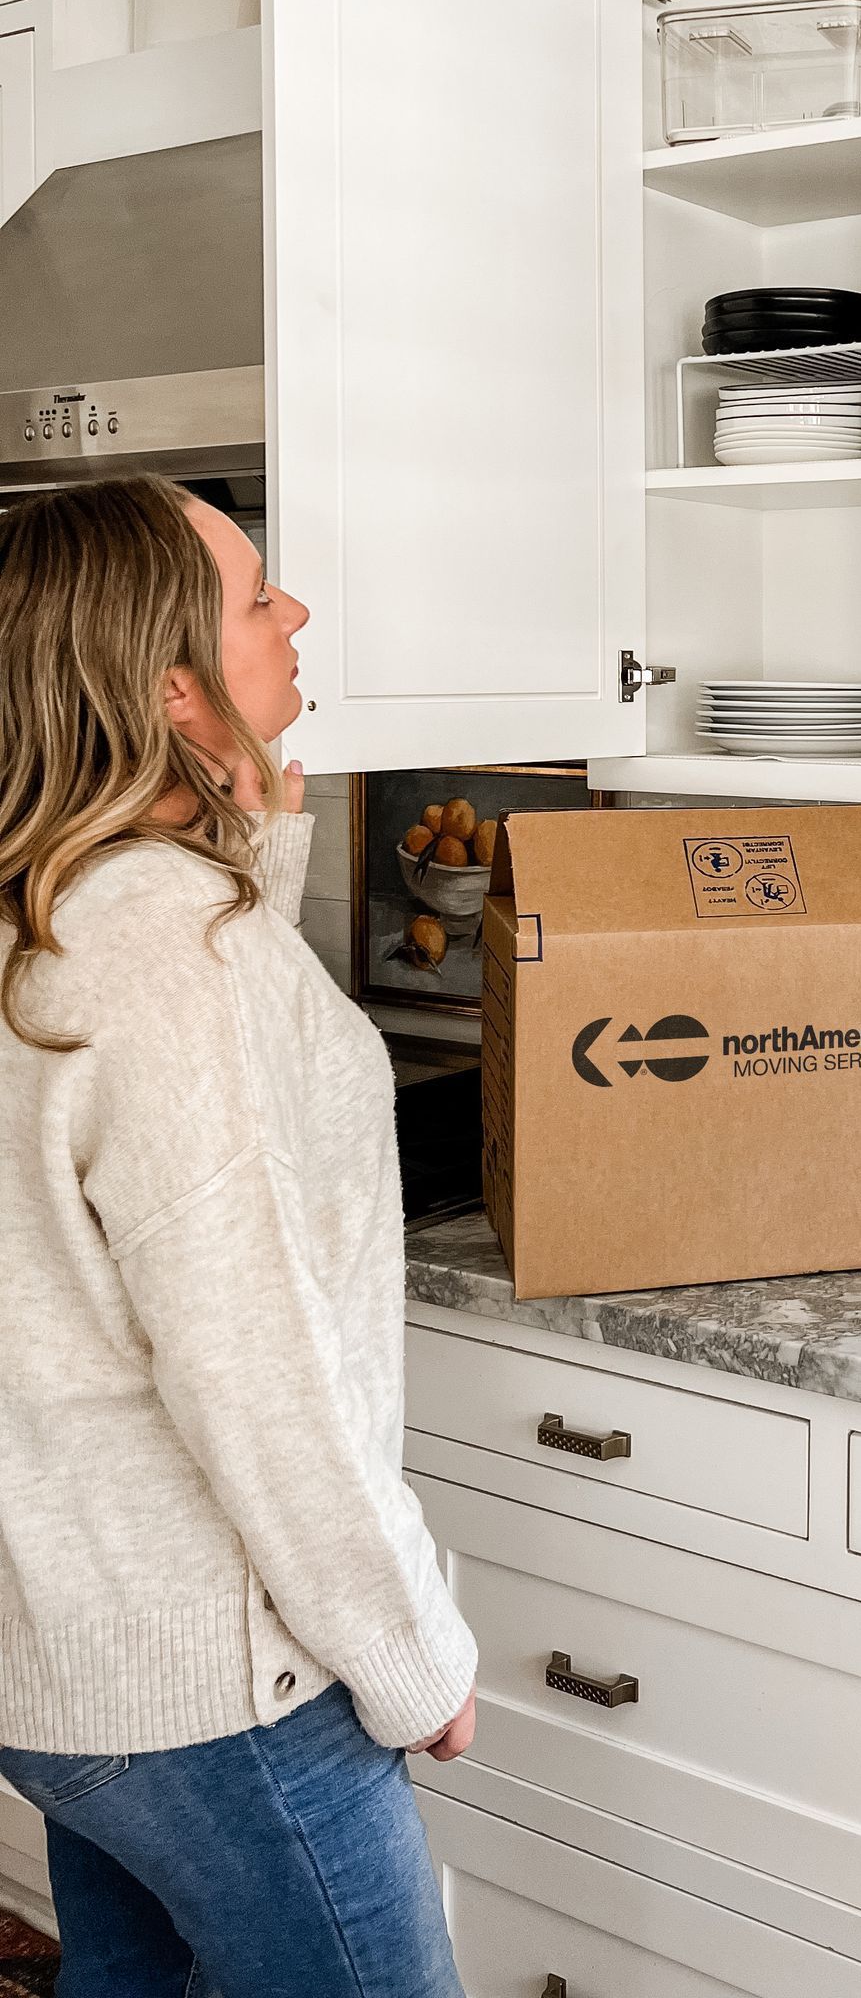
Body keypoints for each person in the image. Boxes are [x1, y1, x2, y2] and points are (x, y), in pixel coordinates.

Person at [0, 475, 476, 1998]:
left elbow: (199, 994)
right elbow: (262, 1374)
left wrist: (244, 803)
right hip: (232, 1693)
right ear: (168, 686)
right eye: (260, 596)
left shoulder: (57, 909)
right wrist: (410, 1658)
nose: (299, 615)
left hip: (80, 1664)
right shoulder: (180, 969)